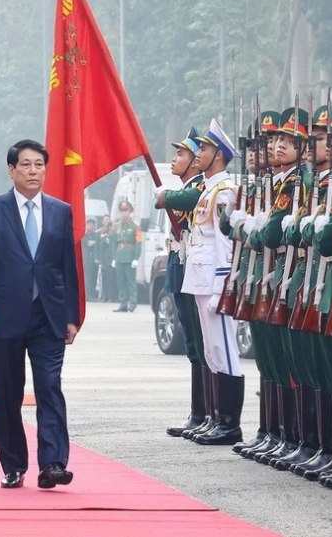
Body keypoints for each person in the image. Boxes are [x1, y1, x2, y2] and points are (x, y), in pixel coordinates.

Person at [0, 139, 80, 490]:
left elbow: (67, 266)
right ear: (11, 170)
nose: (33, 171)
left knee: (49, 388)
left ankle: (53, 463)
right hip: (2, 316)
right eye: (26, 165)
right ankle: (14, 465)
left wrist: (72, 315)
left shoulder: (60, 210)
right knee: (7, 393)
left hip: (48, 316)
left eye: (39, 165)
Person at [182, 118, 244, 445]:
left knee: (225, 348)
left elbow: (226, 243)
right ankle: (219, 418)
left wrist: (224, 284)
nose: (199, 154)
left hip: (215, 280)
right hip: (201, 278)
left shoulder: (223, 191)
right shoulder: (208, 189)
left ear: (218, 154)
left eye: (204, 148)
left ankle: (231, 424)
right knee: (211, 350)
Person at [154, 127, 205, 437]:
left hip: (191, 267)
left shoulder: (199, 188)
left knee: (200, 343)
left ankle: (205, 412)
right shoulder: (188, 187)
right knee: (190, 342)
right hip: (178, 264)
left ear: (196, 161)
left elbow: (186, 198)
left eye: (182, 154)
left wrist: (164, 196)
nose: (175, 158)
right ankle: (198, 412)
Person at [112, 200, 142, 312]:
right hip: (119, 256)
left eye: (126, 211)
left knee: (131, 282)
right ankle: (123, 304)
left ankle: (132, 304)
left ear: (130, 212)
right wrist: (114, 258)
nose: (124, 213)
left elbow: (138, 243)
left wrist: (136, 258)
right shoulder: (117, 226)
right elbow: (114, 243)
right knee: (121, 282)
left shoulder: (136, 227)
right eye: (122, 211)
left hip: (129, 257)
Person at [96, 214, 117, 302]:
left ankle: (111, 297)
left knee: (111, 279)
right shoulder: (100, 233)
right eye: (105, 220)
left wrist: (114, 258)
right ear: (102, 221)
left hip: (111, 259)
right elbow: (98, 247)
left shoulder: (113, 233)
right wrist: (98, 259)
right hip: (103, 259)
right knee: (103, 279)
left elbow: (115, 246)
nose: (107, 221)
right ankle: (104, 297)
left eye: (108, 220)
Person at [81, 218, 99, 296]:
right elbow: (89, 243)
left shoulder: (95, 234)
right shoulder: (84, 234)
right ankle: (87, 295)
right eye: (89, 225)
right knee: (87, 278)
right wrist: (96, 241)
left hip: (94, 260)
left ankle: (92, 294)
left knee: (94, 278)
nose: (91, 226)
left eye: (92, 225)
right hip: (86, 259)